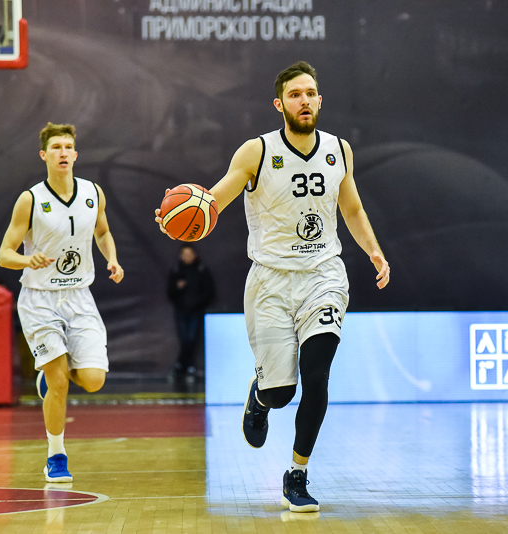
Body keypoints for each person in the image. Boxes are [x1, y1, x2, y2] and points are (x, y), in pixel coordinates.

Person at [156, 61, 390, 512]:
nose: (305, 100)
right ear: (279, 104)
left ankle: (297, 473)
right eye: (295, 94)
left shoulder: (339, 150)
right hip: (270, 282)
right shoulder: (256, 152)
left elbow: (352, 209)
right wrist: (177, 219)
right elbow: (213, 201)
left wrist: (374, 251)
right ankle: (261, 398)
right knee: (283, 393)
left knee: (317, 376)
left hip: (323, 275)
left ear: (320, 100)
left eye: (311, 93)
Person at [0, 122, 124, 483]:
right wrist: (28, 260)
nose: (63, 153)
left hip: (79, 296)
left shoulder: (93, 193)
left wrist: (112, 259)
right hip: (39, 299)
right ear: (44, 155)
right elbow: (4, 254)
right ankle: (56, 455)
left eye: (68, 147)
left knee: (94, 380)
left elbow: (102, 231)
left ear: (76, 154)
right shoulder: (30, 200)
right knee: (59, 383)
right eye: (56, 148)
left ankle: (51, 374)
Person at [167, 243, 215, 380]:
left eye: (189, 254)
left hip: (196, 311)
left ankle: (181, 366)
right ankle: (188, 366)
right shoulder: (176, 271)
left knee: (192, 338)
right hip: (181, 311)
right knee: (184, 339)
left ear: (195, 255)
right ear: (181, 256)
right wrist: (177, 288)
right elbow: (170, 292)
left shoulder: (201, 270)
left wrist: (198, 303)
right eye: (185, 254)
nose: (187, 257)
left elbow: (209, 291)